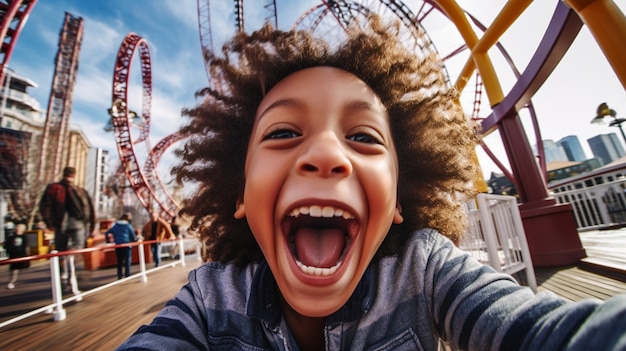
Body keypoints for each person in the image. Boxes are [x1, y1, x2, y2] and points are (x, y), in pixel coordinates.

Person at [117, 17, 626, 350]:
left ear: (399, 199)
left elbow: (535, 330)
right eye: (284, 132)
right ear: (240, 195)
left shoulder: (425, 271)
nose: (324, 154)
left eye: (362, 136)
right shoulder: (211, 298)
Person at [39, 166, 96, 297]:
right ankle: (74, 276)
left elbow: (44, 207)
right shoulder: (81, 191)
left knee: (61, 252)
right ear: (74, 175)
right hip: (78, 224)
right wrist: (91, 228)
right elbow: (90, 209)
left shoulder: (52, 188)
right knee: (76, 251)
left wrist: (50, 224)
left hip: (60, 224)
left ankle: (64, 276)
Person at [105, 213, 137, 279]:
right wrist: (134, 240)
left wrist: (108, 241)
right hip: (126, 245)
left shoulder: (116, 225)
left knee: (119, 261)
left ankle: (119, 275)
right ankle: (127, 275)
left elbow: (107, 232)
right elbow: (133, 236)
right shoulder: (128, 225)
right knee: (127, 260)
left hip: (118, 245)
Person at [5, 223, 30, 289]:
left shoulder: (24, 237)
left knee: (21, 267)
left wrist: (27, 256)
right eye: (17, 227)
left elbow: (26, 246)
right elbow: (7, 245)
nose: (17, 229)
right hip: (14, 256)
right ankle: (11, 282)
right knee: (14, 270)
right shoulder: (11, 237)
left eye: (19, 228)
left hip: (21, 255)